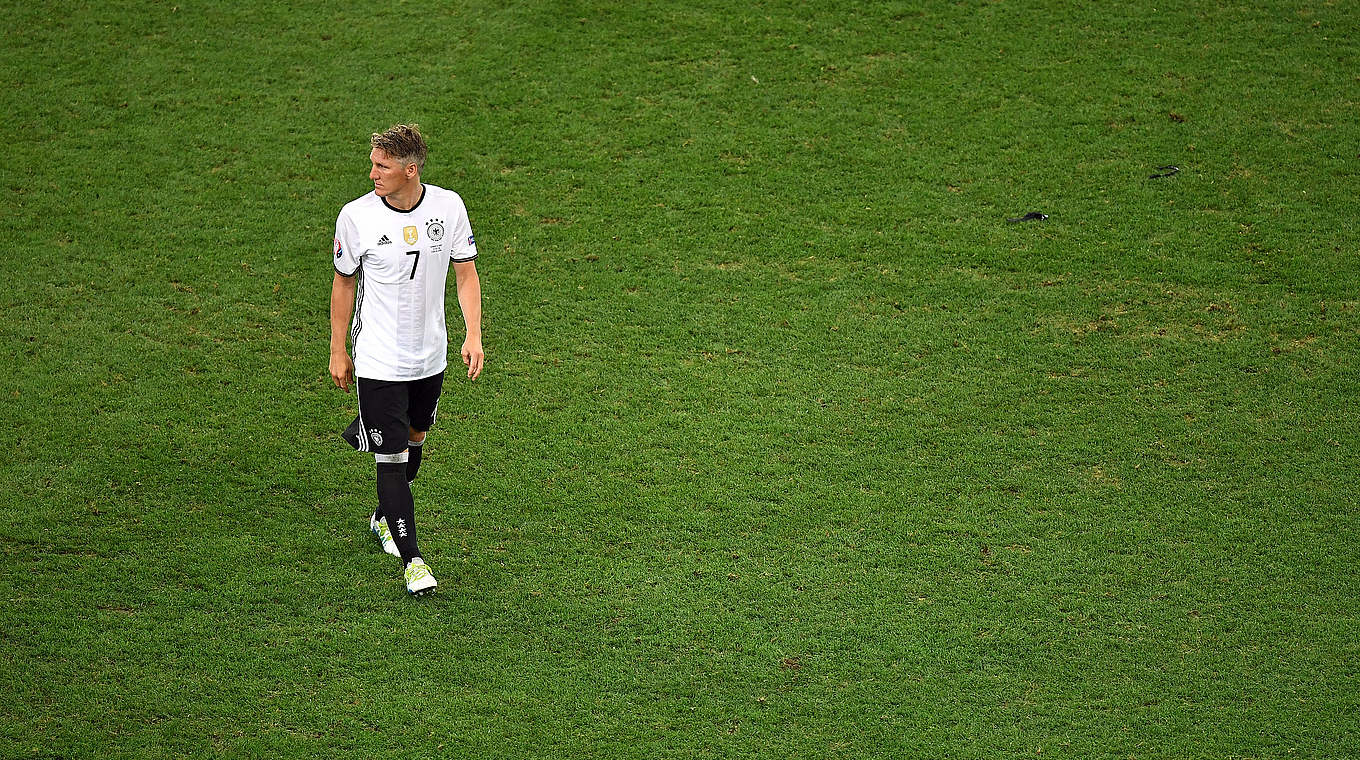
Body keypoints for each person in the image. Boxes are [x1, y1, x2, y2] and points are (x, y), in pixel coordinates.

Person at [328, 123, 483, 596]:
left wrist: (473, 334)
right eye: (373, 162)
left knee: (416, 437)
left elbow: (466, 275)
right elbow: (343, 284)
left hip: (430, 356)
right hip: (378, 359)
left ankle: (383, 516)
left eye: (382, 165)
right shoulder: (356, 217)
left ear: (409, 169)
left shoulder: (448, 206)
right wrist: (338, 350)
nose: (371, 172)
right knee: (391, 457)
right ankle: (413, 559)